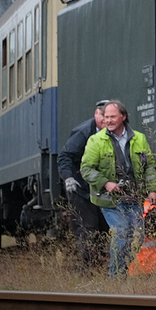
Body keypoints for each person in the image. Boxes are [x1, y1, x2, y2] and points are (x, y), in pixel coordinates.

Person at [79, 100, 156, 278]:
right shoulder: (96, 140)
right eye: (106, 117)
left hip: (134, 197)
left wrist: (153, 190)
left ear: (123, 117)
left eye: (112, 117)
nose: (108, 120)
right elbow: (86, 169)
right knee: (121, 232)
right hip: (108, 199)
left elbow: (150, 167)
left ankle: (122, 270)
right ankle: (115, 276)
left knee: (137, 237)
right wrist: (105, 183)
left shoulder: (139, 138)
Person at [58, 100, 110, 270]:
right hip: (80, 188)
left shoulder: (114, 132)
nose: (107, 122)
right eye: (103, 118)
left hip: (101, 187)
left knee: (105, 227)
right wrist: (68, 179)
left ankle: (102, 264)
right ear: (97, 114)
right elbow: (65, 156)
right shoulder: (82, 133)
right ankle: (87, 268)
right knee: (87, 228)